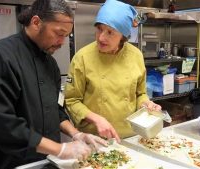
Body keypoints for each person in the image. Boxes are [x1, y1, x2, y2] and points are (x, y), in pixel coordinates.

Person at [0, 0, 107, 169]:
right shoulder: (0, 56)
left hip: (44, 161)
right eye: (59, 33)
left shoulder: (51, 65)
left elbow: (54, 109)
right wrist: (60, 149)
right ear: (36, 22)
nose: (62, 42)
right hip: (8, 162)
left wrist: (76, 134)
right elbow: (2, 124)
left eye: (66, 36)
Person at [64, 0, 161, 142]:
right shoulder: (82, 58)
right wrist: (96, 119)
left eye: (110, 32)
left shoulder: (136, 55)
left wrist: (146, 104)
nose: (101, 37)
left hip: (131, 136)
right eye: (99, 29)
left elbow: (140, 94)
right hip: (95, 140)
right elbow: (72, 101)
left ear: (123, 36)